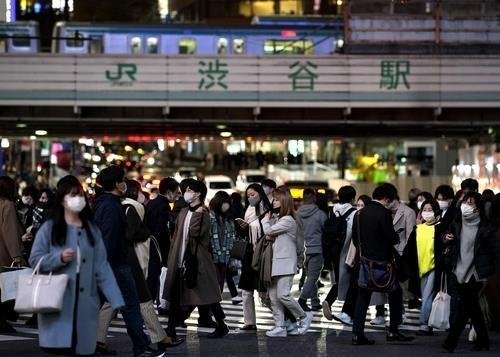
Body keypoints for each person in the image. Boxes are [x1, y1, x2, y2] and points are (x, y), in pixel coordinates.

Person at [29, 175, 124, 355]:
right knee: (62, 349)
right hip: (58, 299)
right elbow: (35, 259)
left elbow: (102, 266)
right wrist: (59, 258)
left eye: (80, 195)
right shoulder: (50, 228)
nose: (77, 199)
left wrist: (115, 297)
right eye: (72, 195)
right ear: (62, 199)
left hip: (86, 300)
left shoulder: (91, 230)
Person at [94, 166, 164, 357]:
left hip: (110, 263)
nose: (124, 183)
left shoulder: (102, 203)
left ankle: (139, 345)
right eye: (122, 179)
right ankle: (141, 347)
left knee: (122, 305)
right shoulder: (111, 206)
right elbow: (109, 239)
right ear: (117, 184)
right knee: (131, 304)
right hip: (115, 264)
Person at [163, 180, 229, 339]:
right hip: (180, 257)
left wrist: (198, 213)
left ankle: (221, 324)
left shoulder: (204, 214)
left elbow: (194, 233)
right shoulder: (184, 211)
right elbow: (177, 234)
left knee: (208, 295)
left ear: (198, 194)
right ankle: (170, 329)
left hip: (197, 260)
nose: (186, 193)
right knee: (175, 294)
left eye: (190, 190)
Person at [351, 183, 414, 345]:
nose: (390, 203)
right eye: (390, 201)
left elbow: (355, 239)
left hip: (365, 262)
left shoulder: (359, 214)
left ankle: (357, 334)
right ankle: (393, 330)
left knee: (363, 297)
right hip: (383, 263)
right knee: (395, 293)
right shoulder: (384, 213)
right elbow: (391, 237)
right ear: (386, 198)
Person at [442, 191, 500, 353]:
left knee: (464, 307)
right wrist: (446, 238)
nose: (467, 206)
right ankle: (483, 341)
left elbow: (495, 251)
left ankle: (450, 342)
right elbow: (445, 238)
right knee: (473, 309)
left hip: (476, 273)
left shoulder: (485, 228)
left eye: (471, 203)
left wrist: (492, 270)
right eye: (465, 202)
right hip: (458, 270)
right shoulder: (457, 223)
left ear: (478, 208)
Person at [262, 186, 313, 337]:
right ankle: (280, 327)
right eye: (274, 199)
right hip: (275, 262)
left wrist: (266, 222)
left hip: (285, 263)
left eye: (277, 200)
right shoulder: (280, 219)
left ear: (284, 201)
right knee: (273, 296)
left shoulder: (288, 220)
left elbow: (268, 231)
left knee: (283, 295)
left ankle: (304, 316)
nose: (274, 202)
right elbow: (270, 236)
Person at [236, 183, 273, 331]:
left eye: (253, 194)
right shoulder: (248, 209)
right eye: (248, 195)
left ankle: (285, 318)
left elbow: (269, 231)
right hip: (249, 252)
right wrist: (243, 227)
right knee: (246, 290)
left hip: (262, 251)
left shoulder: (267, 208)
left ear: (260, 194)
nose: (251, 198)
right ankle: (249, 322)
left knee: (264, 292)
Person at [331, 194, 371, 325]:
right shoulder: (356, 219)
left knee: (360, 289)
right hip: (357, 259)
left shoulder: (366, 220)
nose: (359, 208)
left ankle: (351, 315)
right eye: (358, 205)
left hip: (367, 260)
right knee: (355, 287)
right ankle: (349, 314)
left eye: (362, 205)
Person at [321, 186, 356, 319]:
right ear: (352, 198)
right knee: (349, 280)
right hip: (346, 250)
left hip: (333, 249)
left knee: (340, 278)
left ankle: (330, 301)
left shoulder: (333, 209)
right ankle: (344, 311)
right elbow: (352, 232)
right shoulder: (353, 212)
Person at [145, 177, 180, 304]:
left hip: (149, 245)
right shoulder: (164, 206)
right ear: (169, 192)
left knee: (151, 277)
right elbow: (162, 230)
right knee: (155, 278)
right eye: (176, 192)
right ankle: (151, 306)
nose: (177, 195)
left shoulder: (152, 203)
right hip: (159, 248)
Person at [413, 198, 442, 336]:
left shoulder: (440, 227)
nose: (427, 212)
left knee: (427, 296)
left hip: (433, 267)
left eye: (430, 210)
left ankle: (424, 324)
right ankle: (427, 324)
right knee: (425, 296)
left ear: (436, 212)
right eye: (424, 210)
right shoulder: (418, 228)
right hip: (420, 268)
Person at [0, 176, 24, 333]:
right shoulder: (7, 205)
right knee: (4, 290)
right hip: (3, 253)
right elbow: (10, 233)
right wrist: (17, 256)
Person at [297, 188, 327, 312]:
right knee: (313, 278)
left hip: (303, 250)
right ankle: (302, 300)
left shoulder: (297, 214)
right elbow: (326, 232)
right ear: (314, 198)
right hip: (317, 249)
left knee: (311, 276)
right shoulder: (320, 214)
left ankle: (315, 302)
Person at [208, 191, 235, 293]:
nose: (226, 205)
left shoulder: (228, 220)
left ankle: (214, 307)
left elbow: (232, 237)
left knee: (220, 287)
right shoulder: (210, 217)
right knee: (214, 287)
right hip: (212, 258)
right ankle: (213, 308)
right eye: (224, 202)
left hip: (224, 258)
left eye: (228, 202)